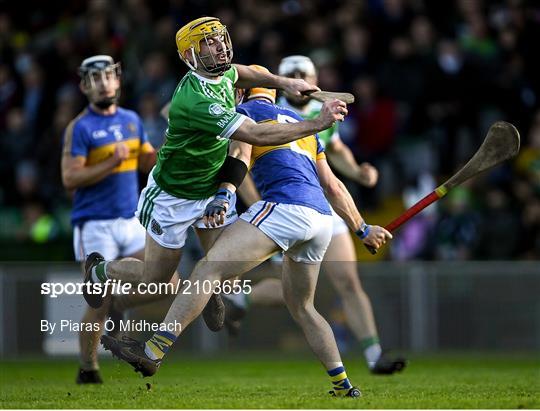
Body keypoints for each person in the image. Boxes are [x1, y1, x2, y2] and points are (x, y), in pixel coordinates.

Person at [99, 66, 392, 397]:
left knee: (207, 268)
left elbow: (239, 154)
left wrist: (224, 194)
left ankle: (152, 352)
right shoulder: (301, 128)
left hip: (285, 210)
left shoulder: (243, 112)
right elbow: (334, 186)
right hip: (322, 220)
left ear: (244, 93)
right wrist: (362, 228)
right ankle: (344, 385)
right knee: (304, 308)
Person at [80, 17, 346, 329]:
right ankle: (99, 271)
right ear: (188, 56)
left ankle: (213, 291)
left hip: (209, 190)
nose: (219, 46)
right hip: (173, 195)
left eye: (220, 38)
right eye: (208, 42)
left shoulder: (221, 74)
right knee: (157, 277)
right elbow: (255, 135)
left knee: (225, 267)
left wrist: (286, 83)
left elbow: (245, 73)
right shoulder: (196, 100)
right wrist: (317, 124)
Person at [224, 56, 406, 375]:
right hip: (282, 207)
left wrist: (360, 174)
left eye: (302, 74)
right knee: (296, 295)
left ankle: (374, 355)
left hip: (324, 208)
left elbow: (337, 159)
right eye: (289, 75)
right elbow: (242, 159)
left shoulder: (314, 114)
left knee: (346, 282)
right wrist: (256, 204)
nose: (296, 79)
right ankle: (242, 298)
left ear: (314, 78)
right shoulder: (262, 110)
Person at [61, 55, 172, 384]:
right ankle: (88, 367)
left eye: (108, 77)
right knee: (98, 302)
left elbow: (146, 162)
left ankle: (118, 303)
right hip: (94, 223)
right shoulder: (80, 127)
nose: (104, 84)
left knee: (169, 282)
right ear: (84, 86)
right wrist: (111, 162)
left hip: (130, 219)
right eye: (95, 80)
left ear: (118, 80)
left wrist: (160, 153)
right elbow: (69, 178)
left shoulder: (131, 120)